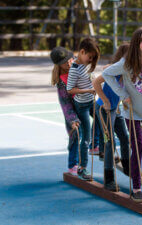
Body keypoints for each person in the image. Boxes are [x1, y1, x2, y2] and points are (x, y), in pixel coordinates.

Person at [102, 27, 142, 202]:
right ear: (136, 43)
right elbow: (106, 74)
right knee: (137, 146)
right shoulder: (126, 62)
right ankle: (137, 187)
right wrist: (123, 94)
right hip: (132, 111)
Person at [93, 43, 130, 192]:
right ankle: (109, 179)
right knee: (110, 143)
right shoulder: (114, 69)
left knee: (125, 137)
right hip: (104, 108)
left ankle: (127, 166)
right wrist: (106, 101)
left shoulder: (128, 70)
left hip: (116, 109)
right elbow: (95, 82)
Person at [67, 37, 100, 181]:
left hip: (92, 101)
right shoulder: (74, 69)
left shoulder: (87, 65)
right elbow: (70, 89)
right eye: (90, 57)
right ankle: (82, 168)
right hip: (82, 106)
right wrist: (87, 90)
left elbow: (90, 78)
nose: (91, 60)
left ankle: (96, 145)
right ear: (82, 52)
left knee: (102, 119)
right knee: (85, 136)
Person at [50, 47, 80, 176]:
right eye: (64, 63)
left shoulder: (78, 66)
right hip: (72, 110)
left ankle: (97, 145)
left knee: (98, 120)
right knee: (75, 134)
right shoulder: (61, 81)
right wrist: (72, 120)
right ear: (58, 65)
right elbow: (65, 104)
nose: (68, 63)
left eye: (70, 60)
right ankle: (73, 164)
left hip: (85, 104)